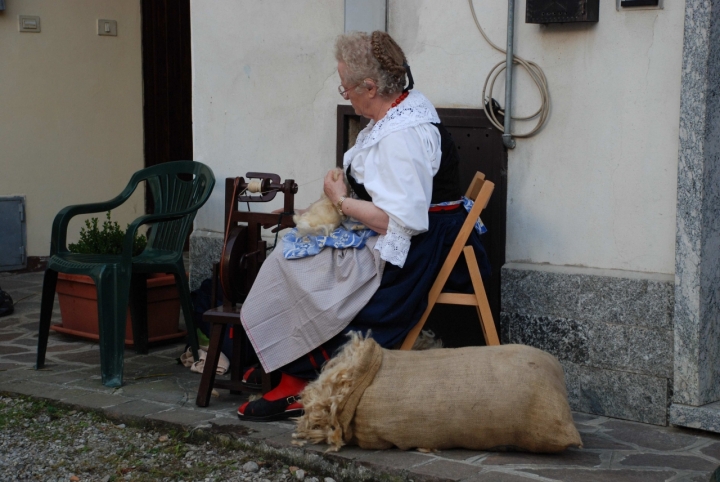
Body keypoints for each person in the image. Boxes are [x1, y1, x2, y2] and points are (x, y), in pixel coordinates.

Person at [237, 31, 491, 422]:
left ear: (371, 87)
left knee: (296, 267)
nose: (345, 94)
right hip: (419, 234)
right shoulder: (401, 110)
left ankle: (301, 381)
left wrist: (340, 200)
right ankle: (283, 361)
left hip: (415, 251)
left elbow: (398, 220)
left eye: (346, 86)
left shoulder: (402, 137)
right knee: (293, 251)